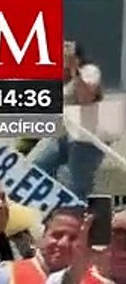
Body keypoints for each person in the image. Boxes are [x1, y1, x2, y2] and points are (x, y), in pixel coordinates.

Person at [30, 40, 109, 201]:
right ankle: (48, 205)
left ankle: (76, 215)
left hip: (86, 134)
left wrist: (75, 70)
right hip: (64, 131)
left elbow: (86, 97)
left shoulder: (89, 71)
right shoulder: (60, 77)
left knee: (76, 182)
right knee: (38, 167)